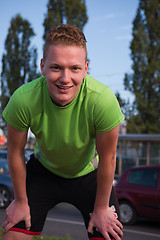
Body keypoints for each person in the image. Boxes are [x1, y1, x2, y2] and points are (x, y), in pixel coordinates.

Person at [2, 24, 124, 240]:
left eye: (74, 68)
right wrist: (20, 201)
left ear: (86, 68)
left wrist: (102, 208)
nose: (65, 78)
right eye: (56, 67)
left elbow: (108, 158)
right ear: (42, 65)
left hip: (89, 175)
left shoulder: (102, 100)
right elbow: (14, 153)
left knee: (109, 235)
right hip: (43, 173)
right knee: (12, 235)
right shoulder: (23, 99)